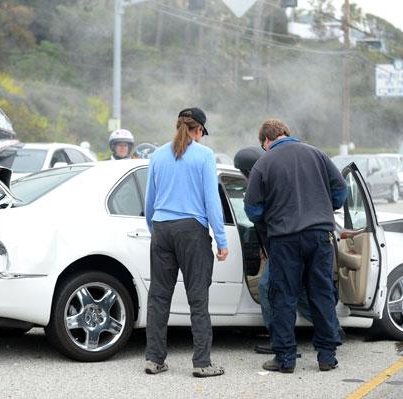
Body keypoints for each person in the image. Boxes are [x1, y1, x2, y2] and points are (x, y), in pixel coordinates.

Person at [244, 118, 347, 373]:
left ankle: (285, 359)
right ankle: (326, 356)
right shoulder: (318, 155)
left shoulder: (264, 162)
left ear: (266, 141)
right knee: (321, 294)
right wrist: (325, 207)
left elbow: (252, 209)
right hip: (320, 236)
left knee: (284, 297)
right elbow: (341, 191)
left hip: (284, 238)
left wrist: (270, 216)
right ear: (285, 133)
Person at [144, 107, 228, 378]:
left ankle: (154, 359)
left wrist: (156, 228)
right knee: (198, 298)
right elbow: (211, 202)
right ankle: (202, 363)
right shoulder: (204, 155)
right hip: (192, 231)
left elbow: (149, 201)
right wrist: (221, 239)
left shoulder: (157, 155)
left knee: (158, 297)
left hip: (162, 229)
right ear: (199, 129)